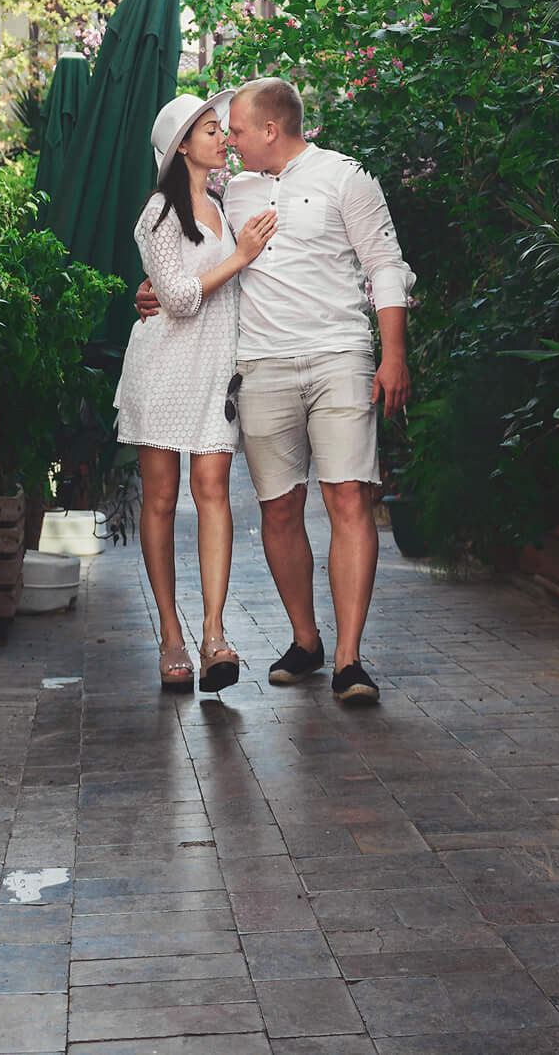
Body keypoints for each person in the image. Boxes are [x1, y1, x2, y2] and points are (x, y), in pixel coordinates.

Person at [135, 77, 414, 704]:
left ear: (270, 129)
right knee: (279, 508)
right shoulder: (234, 192)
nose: (229, 141)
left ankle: (348, 661)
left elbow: (386, 265)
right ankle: (305, 641)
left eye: (234, 130)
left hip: (340, 355)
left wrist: (393, 353)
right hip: (259, 365)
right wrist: (151, 291)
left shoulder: (346, 178)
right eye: (219, 132)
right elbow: (188, 259)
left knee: (349, 496)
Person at [113, 91, 276, 693]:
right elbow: (179, 298)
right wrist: (240, 256)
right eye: (210, 130)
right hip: (163, 372)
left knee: (214, 493)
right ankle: (170, 636)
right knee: (160, 500)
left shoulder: (224, 204)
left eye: (221, 129)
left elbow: (201, 288)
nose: (223, 138)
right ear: (182, 145)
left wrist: (238, 255)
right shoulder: (159, 210)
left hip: (215, 374)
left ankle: (213, 636)